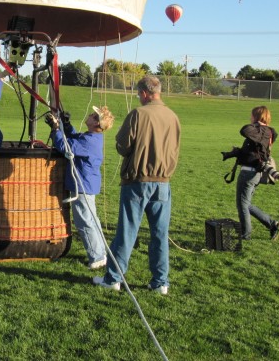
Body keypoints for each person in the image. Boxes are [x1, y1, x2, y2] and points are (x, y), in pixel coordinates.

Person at [93, 76, 181, 295]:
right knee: (160, 234)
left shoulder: (138, 114)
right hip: (163, 182)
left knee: (127, 232)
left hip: (137, 181)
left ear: (143, 93)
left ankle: (113, 278)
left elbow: (123, 146)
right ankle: (161, 282)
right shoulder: (172, 116)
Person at [47, 106, 115, 269]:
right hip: (87, 184)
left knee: (84, 221)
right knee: (92, 220)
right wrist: (66, 125)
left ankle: (97, 257)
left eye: (93, 116)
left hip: (83, 185)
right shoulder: (91, 137)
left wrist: (56, 129)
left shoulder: (89, 140)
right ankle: (100, 253)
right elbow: (74, 138)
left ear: (96, 123)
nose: (90, 115)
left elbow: (66, 147)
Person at [223, 106, 279, 241]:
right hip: (256, 173)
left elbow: (244, 130)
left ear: (256, 116)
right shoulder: (268, 133)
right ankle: (273, 224)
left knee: (242, 205)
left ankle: (245, 235)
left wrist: (257, 125)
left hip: (249, 173)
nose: (250, 118)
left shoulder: (260, 131)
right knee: (246, 204)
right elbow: (253, 151)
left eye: (252, 116)